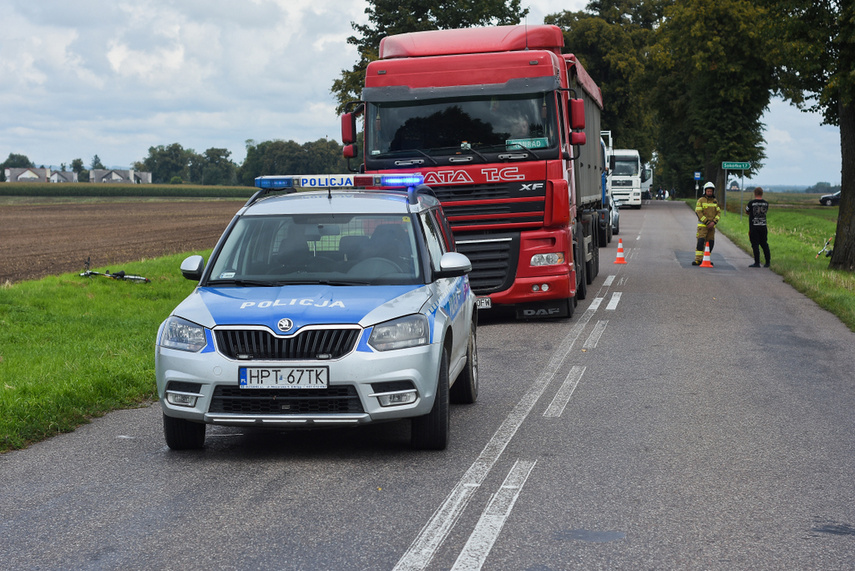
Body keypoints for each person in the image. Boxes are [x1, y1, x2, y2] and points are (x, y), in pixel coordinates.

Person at [693, 182, 721, 266]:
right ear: (705, 191)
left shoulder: (715, 201)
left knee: (710, 243)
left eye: (711, 191)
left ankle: (706, 258)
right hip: (702, 227)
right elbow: (698, 212)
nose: (709, 193)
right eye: (708, 191)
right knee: (700, 242)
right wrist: (707, 222)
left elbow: (718, 213)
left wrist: (714, 222)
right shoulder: (700, 200)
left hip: (711, 227)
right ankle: (698, 260)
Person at [745, 186, 771, 267]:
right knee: (764, 244)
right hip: (763, 226)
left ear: (755, 193)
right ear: (762, 193)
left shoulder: (751, 203)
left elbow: (747, 211)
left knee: (755, 244)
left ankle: (757, 262)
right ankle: (767, 262)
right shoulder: (766, 203)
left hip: (754, 226)